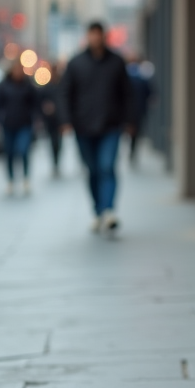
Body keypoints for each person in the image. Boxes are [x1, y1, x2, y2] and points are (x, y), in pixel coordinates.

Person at [60, 22, 134, 233]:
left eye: (98, 35)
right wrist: (66, 121)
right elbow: (65, 93)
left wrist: (129, 120)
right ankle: (98, 210)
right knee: (92, 170)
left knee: (107, 166)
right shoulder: (76, 63)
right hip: (83, 127)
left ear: (104, 36)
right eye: (91, 35)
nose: (95, 39)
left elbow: (127, 94)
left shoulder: (117, 62)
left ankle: (109, 210)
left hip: (111, 125)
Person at [0, 59, 39, 195]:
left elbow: (35, 103)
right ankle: (11, 180)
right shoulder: (3, 86)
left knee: (23, 150)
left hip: (24, 124)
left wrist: (35, 119)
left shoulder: (28, 86)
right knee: (9, 153)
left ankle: (25, 178)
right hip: (8, 125)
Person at [39, 62, 65, 176]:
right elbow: (40, 101)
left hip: (60, 119)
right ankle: (54, 164)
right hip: (50, 120)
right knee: (52, 142)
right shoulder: (47, 87)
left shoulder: (62, 85)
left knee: (58, 143)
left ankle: (57, 162)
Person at [126, 58, 154, 166]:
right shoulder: (142, 77)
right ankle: (132, 149)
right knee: (136, 132)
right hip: (139, 109)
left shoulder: (130, 77)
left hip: (133, 110)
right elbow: (150, 93)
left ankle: (132, 149)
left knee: (133, 132)